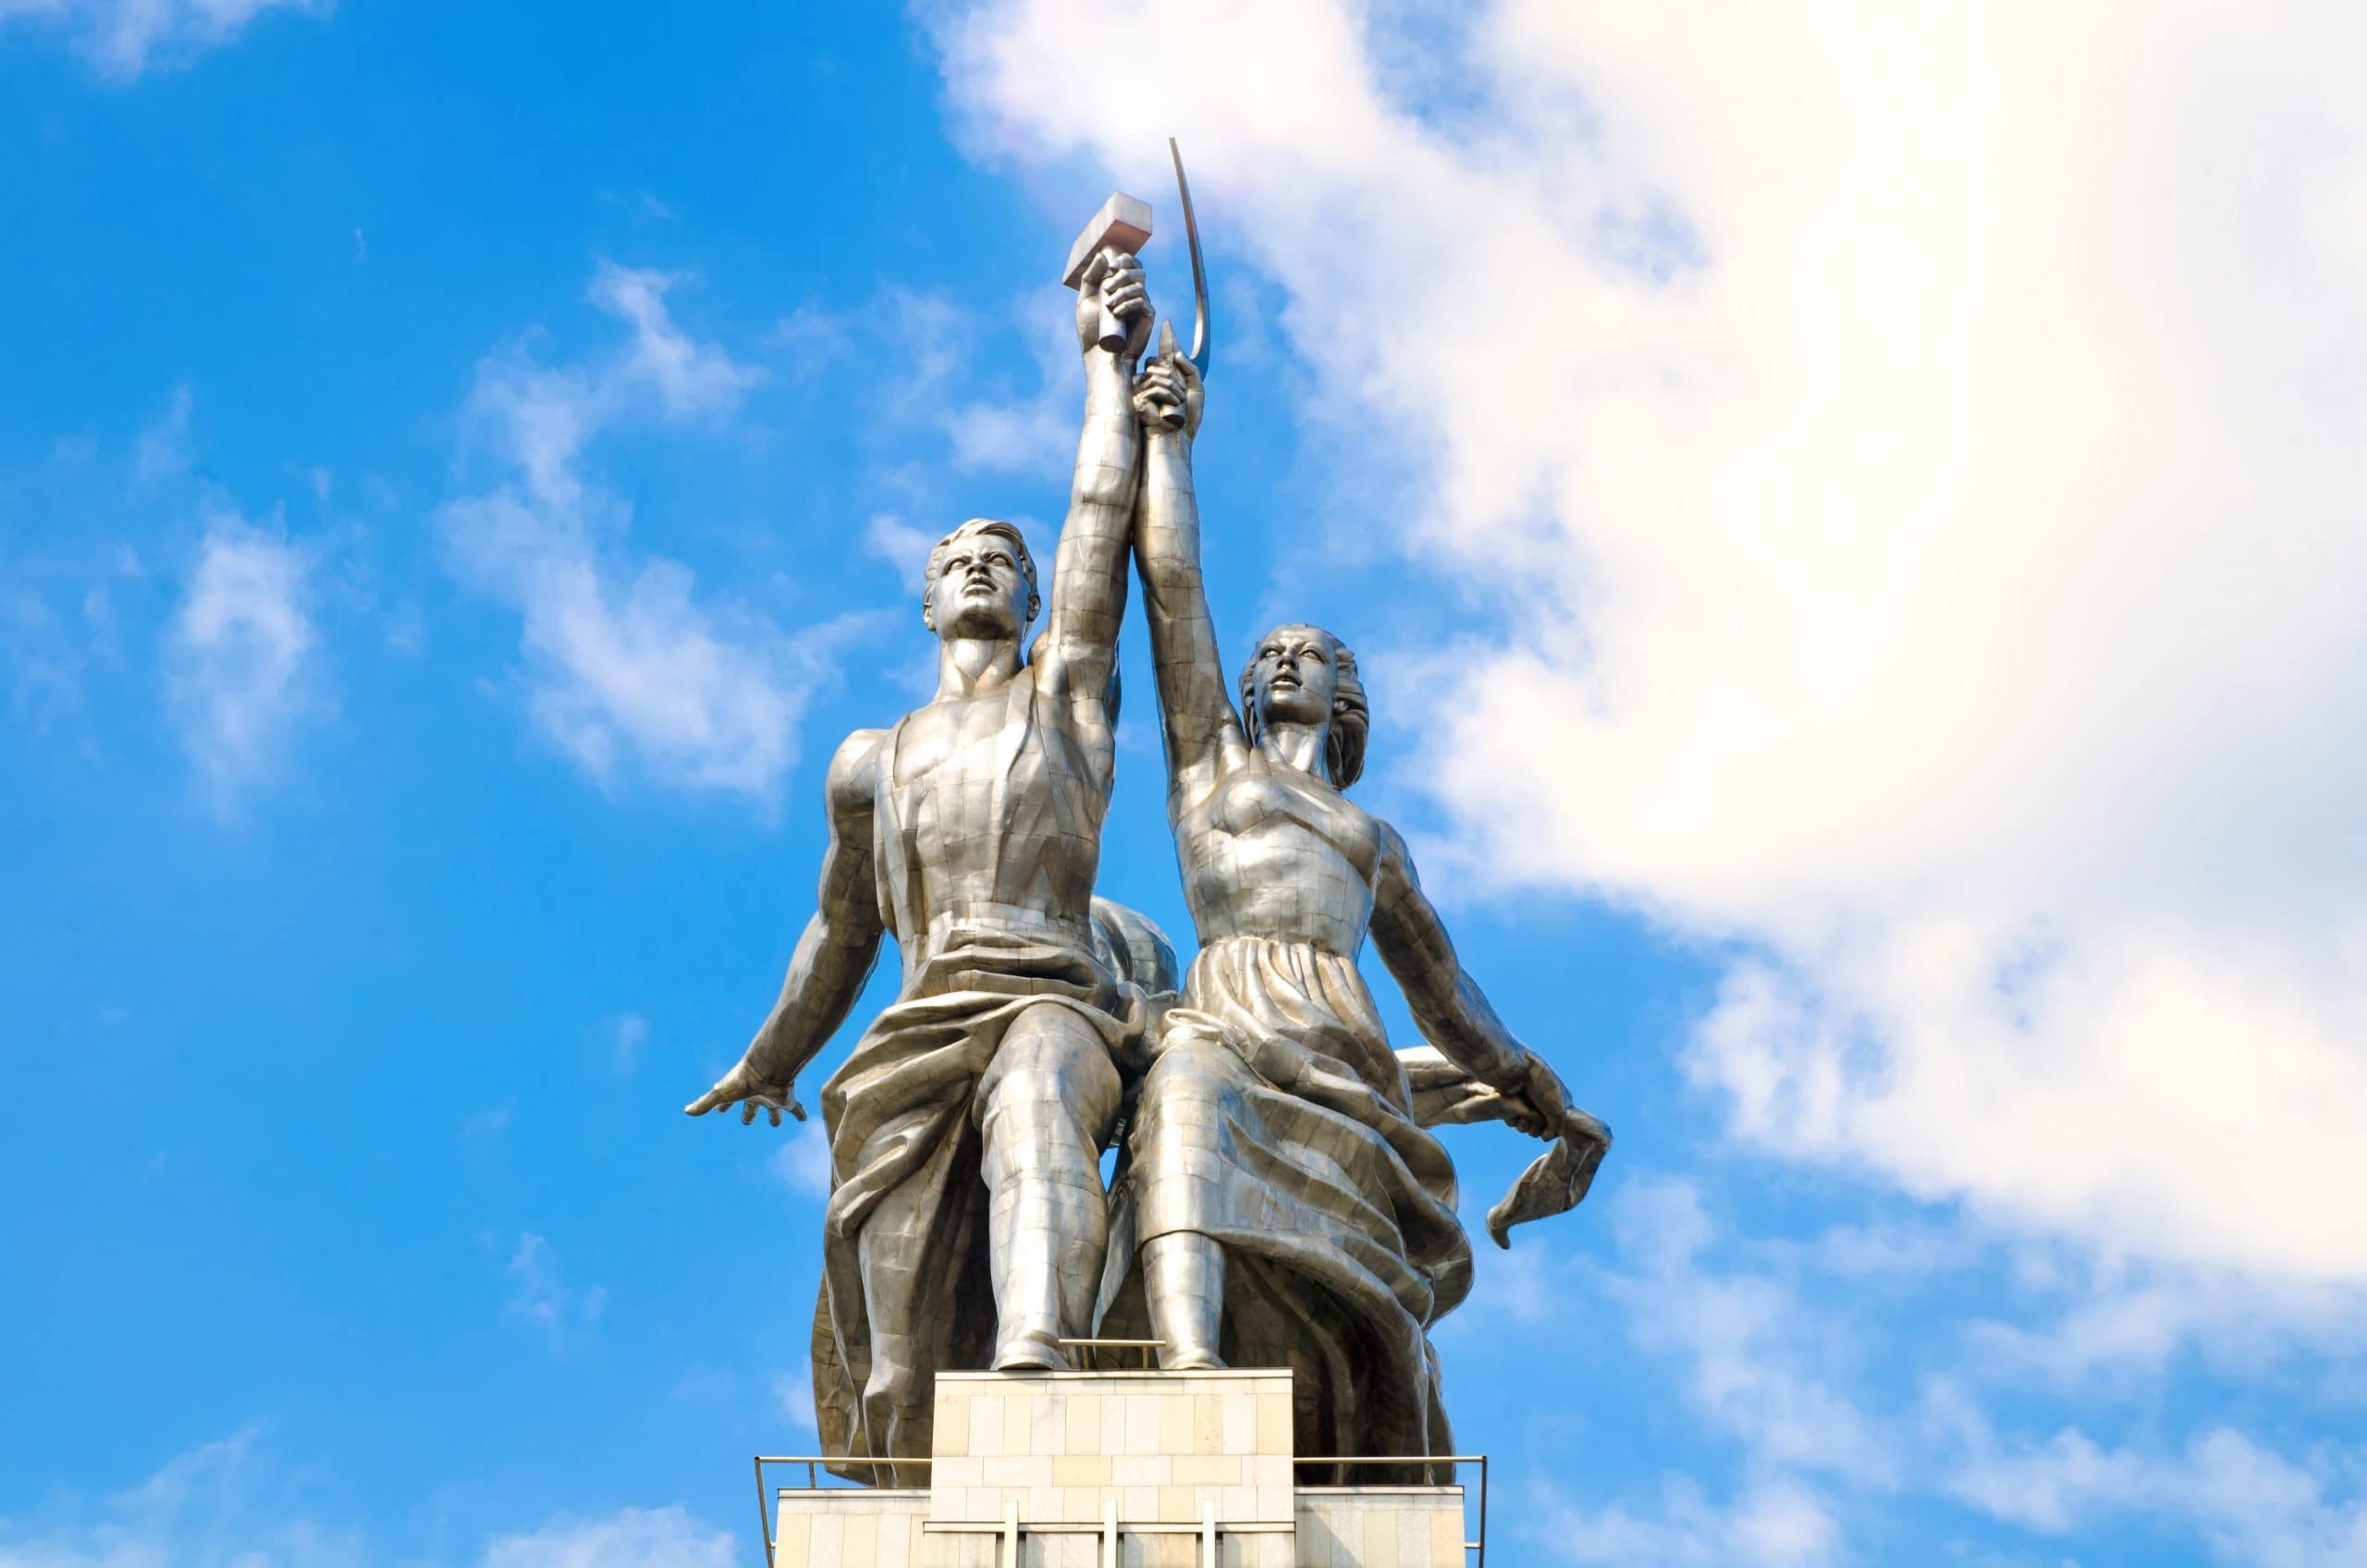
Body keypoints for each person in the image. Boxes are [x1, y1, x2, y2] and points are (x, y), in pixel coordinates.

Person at [684, 251, 1155, 1477]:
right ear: (928, 604)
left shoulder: (1068, 698)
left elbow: (1099, 516)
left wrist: (1104, 366)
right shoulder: (868, 761)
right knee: (898, 1372)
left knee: (1043, 1096)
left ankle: (1040, 1354)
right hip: (914, 1033)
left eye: (1005, 557)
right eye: (956, 560)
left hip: (1052, 998)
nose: (981, 564)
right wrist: (773, 1055)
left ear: (1037, 599)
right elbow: (841, 930)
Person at [1110, 332, 1596, 1469]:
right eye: (1269, 653)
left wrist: (1532, 1084)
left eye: (1309, 654)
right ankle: (1189, 1364)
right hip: (1226, 1010)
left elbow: (1446, 993)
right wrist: (1169, 444)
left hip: (1343, 1043)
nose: (1283, 661)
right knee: (1181, 1096)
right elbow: (1173, 595)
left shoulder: (1374, 843)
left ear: (1345, 696)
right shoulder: (1211, 770)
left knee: (1350, 1249)